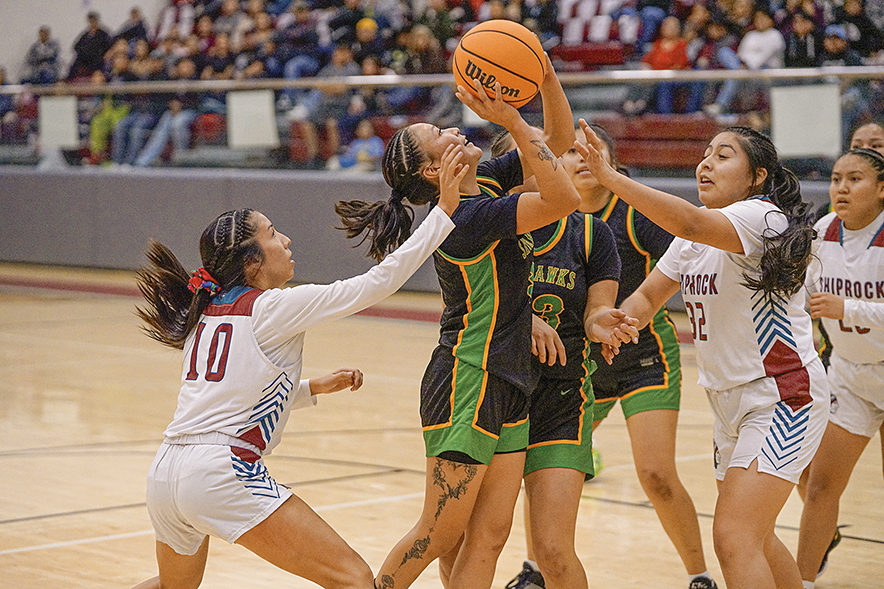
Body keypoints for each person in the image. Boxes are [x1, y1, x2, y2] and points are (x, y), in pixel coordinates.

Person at [334, 63, 629, 589]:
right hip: (468, 378)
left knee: (491, 537)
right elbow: (563, 198)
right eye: (439, 137)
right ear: (433, 171)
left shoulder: (487, 184)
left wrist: (547, 77)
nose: (453, 129)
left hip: (512, 379)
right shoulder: (467, 220)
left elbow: (556, 140)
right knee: (440, 532)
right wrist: (515, 119)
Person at [129, 142, 464, 589]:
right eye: (271, 234)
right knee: (354, 578)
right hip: (220, 471)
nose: (284, 240)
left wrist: (309, 389)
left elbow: (227, 396)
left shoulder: (204, 314)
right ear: (252, 262)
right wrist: (443, 210)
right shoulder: (272, 307)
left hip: (166, 472)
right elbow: (376, 283)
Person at [578, 121, 829, 589]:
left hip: (781, 397)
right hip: (727, 403)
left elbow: (689, 220)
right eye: (705, 153)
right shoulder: (694, 239)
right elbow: (648, 299)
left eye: (723, 155)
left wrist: (612, 179)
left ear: (756, 176)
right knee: (755, 536)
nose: (706, 162)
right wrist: (617, 321)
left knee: (734, 537)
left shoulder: (763, 216)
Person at [503, 123, 718, 589]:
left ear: (610, 162)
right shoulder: (546, 218)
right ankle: (534, 569)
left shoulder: (635, 215)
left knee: (656, 474)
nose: (581, 159)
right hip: (582, 363)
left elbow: (679, 264)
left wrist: (623, 312)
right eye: (572, 153)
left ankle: (700, 575)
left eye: (591, 152)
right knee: (542, 465)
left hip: (642, 354)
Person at [488, 122, 637, 589]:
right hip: (494, 395)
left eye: (558, 153)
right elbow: (465, 306)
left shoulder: (592, 234)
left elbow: (596, 311)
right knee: (481, 537)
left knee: (553, 551)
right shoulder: (486, 225)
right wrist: (517, 315)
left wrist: (602, 324)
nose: (555, 160)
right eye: (541, 154)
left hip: (560, 397)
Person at [795, 147, 884, 589]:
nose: (842, 188)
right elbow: (803, 292)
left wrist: (847, 306)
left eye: (855, 179)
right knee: (820, 486)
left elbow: (839, 303)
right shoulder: (824, 229)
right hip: (849, 372)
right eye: (835, 179)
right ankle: (803, 582)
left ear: (882, 188)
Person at [67, 12, 113, 81]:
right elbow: (76, 46)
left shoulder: (103, 34)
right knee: (74, 66)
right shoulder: (85, 34)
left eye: (94, 20)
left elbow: (109, 45)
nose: (92, 23)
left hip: (97, 58)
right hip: (84, 58)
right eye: (91, 21)